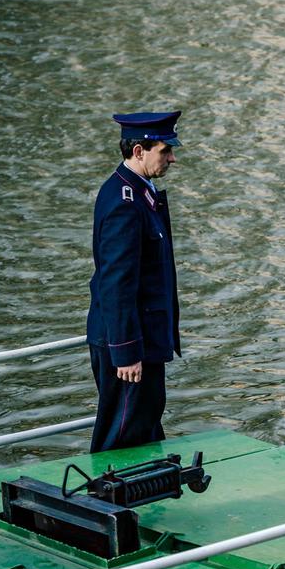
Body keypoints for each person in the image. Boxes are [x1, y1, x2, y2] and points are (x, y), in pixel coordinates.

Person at [86, 112, 184, 453]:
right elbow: (116, 283)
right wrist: (126, 352)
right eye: (165, 150)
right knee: (121, 437)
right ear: (139, 151)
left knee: (144, 428)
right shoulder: (125, 203)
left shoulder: (140, 191)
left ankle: (146, 496)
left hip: (144, 339)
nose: (172, 158)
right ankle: (100, 502)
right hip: (129, 347)